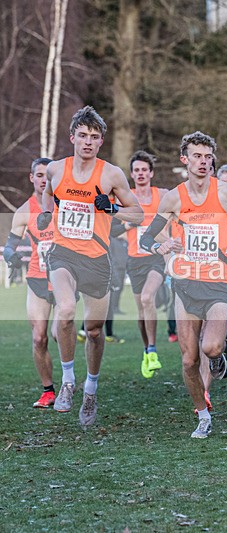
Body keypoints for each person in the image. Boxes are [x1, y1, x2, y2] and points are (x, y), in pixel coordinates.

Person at [139, 131, 227, 439]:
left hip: (218, 283)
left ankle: (218, 358)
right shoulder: (174, 197)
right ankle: (203, 416)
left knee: (211, 346)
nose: (203, 162)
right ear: (185, 160)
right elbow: (147, 236)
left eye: (207, 157)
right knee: (189, 359)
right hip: (186, 285)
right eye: (197, 156)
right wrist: (161, 247)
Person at [39, 106, 144, 427]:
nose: (87, 142)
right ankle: (68, 382)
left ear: (101, 142)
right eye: (82, 136)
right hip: (63, 254)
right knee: (66, 310)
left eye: (94, 137)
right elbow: (46, 196)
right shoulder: (56, 169)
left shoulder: (111, 174)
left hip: (97, 259)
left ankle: (91, 388)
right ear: (72, 137)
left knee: (95, 330)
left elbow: (137, 214)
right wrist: (48, 213)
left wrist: (111, 207)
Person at [4, 157, 57, 408]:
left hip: (64, 278)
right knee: (39, 338)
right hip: (37, 277)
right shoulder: (24, 211)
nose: (43, 179)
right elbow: (11, 244)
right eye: (39, 175)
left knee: (59, 334)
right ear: (32, 178)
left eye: (48, 175)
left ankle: (69, 379)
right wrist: (9, 254)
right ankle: (48, 391)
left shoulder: (63, 205)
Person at [123, 150, 169, 378]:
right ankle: (146, 349)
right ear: (131, 174)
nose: (140, 174)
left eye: (144, 170)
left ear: (151, 173)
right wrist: (127, 226)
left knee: (148, 297)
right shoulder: (126, 197)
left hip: (156, 257)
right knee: (141, 312)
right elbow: (112, 227)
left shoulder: (161, 195)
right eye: (136, 170)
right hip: (134, 259)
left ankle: (152, 350)